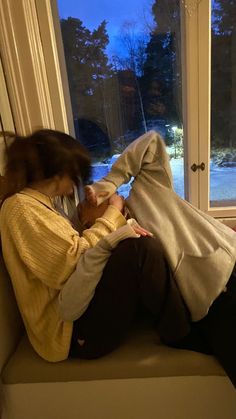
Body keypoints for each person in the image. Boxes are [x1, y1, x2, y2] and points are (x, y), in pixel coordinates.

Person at [0, 128, 189, 363]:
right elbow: (71, 265)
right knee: (139, 250)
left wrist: (106, 222)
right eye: (76, 174)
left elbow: (75, 253)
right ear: (60, 173)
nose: (78, 183)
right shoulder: (21, 208)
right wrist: (112, 214)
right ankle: (181, 335)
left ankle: (186, 312)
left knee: (141, 242)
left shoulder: (43, 204)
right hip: (70, 332)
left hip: (78, 312)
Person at [76, 130, 236, 386]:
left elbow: (152, 141)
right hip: (217, 297)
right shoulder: (122, 246)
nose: (90, 198)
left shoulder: (147, 192)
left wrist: (108, 183)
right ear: (88, 224)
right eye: (85, 205)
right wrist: (109, 223)